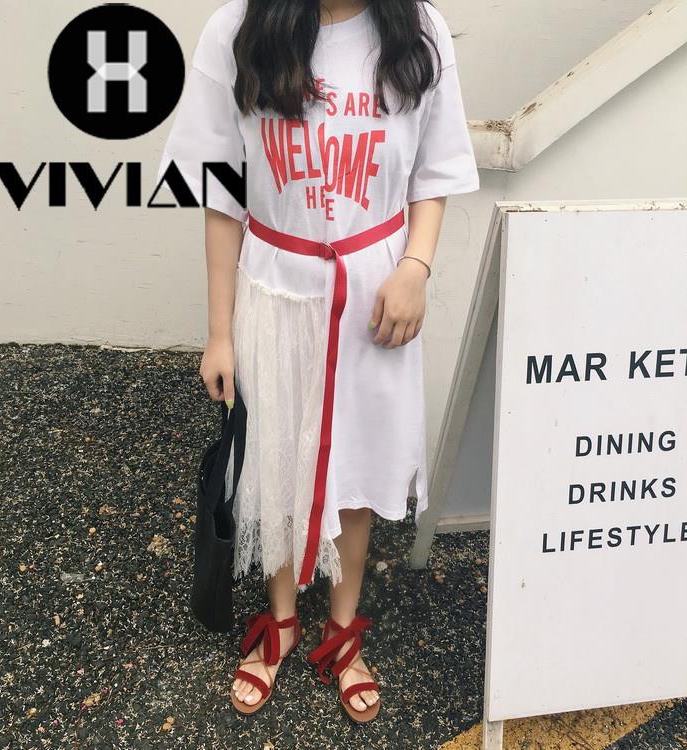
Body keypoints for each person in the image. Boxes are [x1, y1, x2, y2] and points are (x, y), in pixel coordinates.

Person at [157, 0, 479, 723]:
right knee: (278, 460)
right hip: (275, 288)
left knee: (357, 467)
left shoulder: (417, 29)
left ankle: (342, 628)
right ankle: (282, 620)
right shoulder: (238, 28)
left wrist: (416, 268)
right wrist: (219, 332)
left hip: (375, 294)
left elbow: (433, 173)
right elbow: (220, 194)